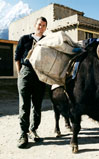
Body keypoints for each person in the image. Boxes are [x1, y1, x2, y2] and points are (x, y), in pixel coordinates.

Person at [15, 17, 47, 148]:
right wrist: (20, 74)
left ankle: (33, 130)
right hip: (26, 72)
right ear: (35, 25)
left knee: (37, 105)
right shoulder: (25, 39)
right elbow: (17, 57)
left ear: (46, 27)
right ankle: (23, 133)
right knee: (24, 105)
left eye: (44, 25)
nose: (41, 27)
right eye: (39, 24)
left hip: (40, 74)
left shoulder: (47, 41)